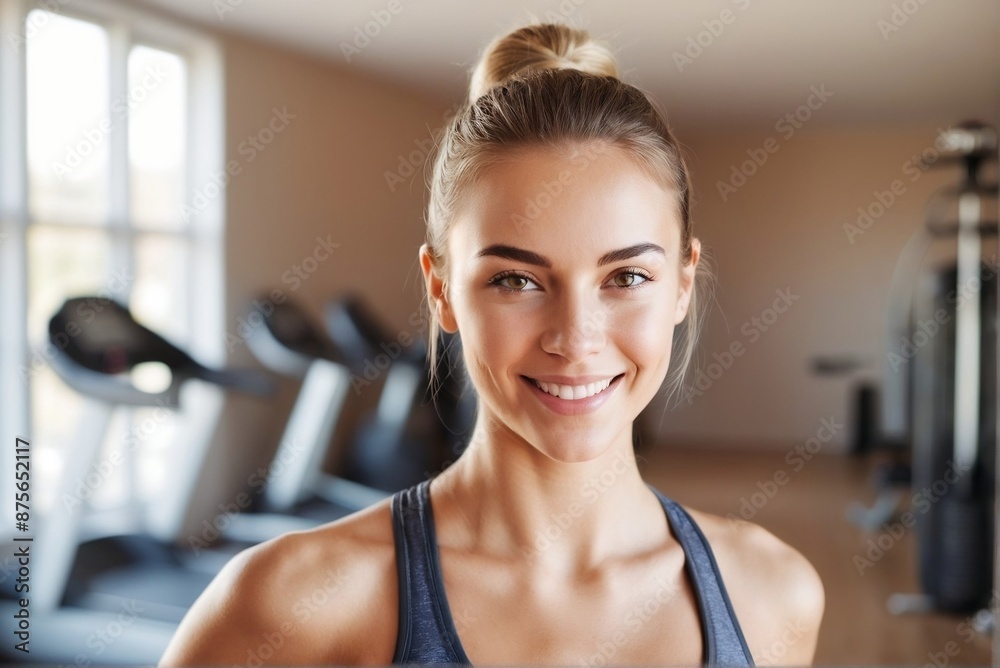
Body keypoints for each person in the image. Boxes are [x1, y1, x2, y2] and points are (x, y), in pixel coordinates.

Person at [158, 21, 824, 666]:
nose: (575, 339)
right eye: (517, 279)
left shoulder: (771, 594)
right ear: (441, 290)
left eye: (626, 277)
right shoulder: (293, 604)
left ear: (681, 284)